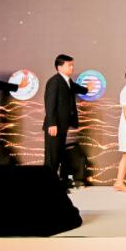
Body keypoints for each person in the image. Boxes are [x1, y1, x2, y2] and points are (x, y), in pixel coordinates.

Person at [43, 54, 88, 184]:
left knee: (58, 155)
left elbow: (77, 88)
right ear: (59, 67)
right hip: (55, 126)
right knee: (52, 157)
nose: (72, 67)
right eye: (69, 65)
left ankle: (54, 183)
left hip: (62, 125)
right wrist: (52, 123)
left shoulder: (67, 81)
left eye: (72, 65)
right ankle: (47, 185)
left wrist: (87, 88)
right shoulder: (54, 81)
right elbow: (49, 103)